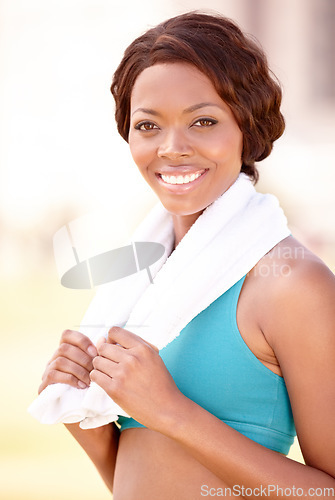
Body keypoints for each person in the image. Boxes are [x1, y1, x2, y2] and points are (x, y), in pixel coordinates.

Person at [38, 11, 335, 499]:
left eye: (203, 121)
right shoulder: (143, 281)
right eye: (148, 125)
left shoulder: (291, 285)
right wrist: (87, 423)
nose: (172, 148)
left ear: (247, 126)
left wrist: (170, 411)